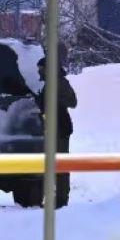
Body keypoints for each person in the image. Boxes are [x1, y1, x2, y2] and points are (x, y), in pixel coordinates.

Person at [35, 55, 77, 208]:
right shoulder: (50, 83)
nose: (39, 72)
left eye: (41, 69)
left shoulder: (59, 82)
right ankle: (54, 198)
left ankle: (60, 199)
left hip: (60, 128)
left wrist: (55, 100)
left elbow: (73, 102)